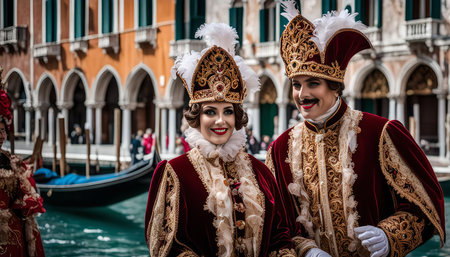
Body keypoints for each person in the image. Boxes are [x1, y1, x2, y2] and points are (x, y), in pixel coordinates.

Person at [265, 2, 445, 257]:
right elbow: (276, 224)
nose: (302, 94)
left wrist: (389, 235)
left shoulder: (381, 133)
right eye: (296, 84)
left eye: (313, 83)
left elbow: (423, 207)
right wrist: (305, 250)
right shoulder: (279, 149)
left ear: (334, 87)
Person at [145, 23, 295, 256]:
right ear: (197, 116)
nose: (220, 121)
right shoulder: (175, 173)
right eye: (210, 112)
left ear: (237, 116)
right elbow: (166, 247)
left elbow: (280, 237)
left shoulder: (260, 173)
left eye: (227, 111)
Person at [0, 83, 46, 256]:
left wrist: (27, 200)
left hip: (14, 233)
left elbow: (20, 194)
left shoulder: (11, 161)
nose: (1, 136)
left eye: (3, 130)